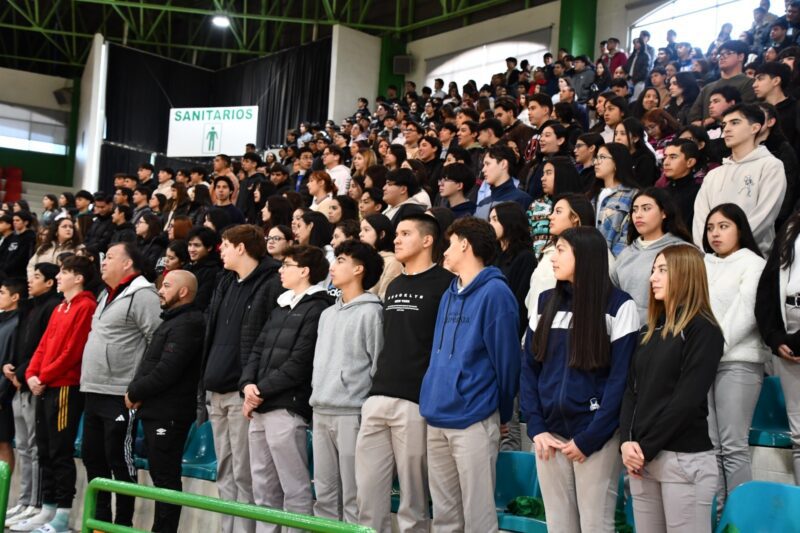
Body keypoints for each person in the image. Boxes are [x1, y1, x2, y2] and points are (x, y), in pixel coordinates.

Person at [522, 226, 638, 532]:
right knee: (558, 526)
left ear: (584, 256)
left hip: (596, 436)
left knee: (595, 525)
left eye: (560, 251)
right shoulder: (544, 301)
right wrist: (536, 427)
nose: (552, 258)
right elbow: (530, 368)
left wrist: (591, 438)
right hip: (549, 435)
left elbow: (620, 380)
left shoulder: (619, 305)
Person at [419, 217, 520, 532]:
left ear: (465, 244)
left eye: (449, 244)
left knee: (479, 517)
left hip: (474, 416)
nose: (444, 252)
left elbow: (507, 363)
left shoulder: (496, 293)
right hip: (436, 414)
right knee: (445, 518)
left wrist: (503, 412)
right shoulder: (448, 293)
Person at [355, 213, 453, 532]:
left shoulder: (446, 284)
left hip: (414, 401)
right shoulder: (394, 283)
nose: (396, 239)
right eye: (396, 234)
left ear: (427, 240)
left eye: (405, 233)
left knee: (413, 499)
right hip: (377, 396)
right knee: (368, 496)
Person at [620, 245, 723, 532]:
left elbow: (686, 399)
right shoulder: (647, 331)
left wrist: (645, 448)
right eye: (654, 270)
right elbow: (631, 392)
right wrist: (626, 442)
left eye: (662, 270)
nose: (653, 277)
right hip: (643, 458)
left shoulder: (703, 329)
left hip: (683, 458)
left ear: (686, 275)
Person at [240, 245, 332, 533]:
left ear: (304, 271)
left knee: (294, 489)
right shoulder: (281, 305)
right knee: (263, 488)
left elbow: (300, 363)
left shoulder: (318, 308)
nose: (281, 270)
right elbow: (258, 349)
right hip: (261, 406)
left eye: (287, 265)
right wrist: (247, 385)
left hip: (287, 407)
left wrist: (258, 391)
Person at [199, 225, 281, 533]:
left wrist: (253, 383)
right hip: (215, 389)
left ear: (241, 248)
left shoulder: (271, 283)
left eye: (225, 244)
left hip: (242, 392)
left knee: (245, 474)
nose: (220, 250)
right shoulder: (225, 281)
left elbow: (269, 340)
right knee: (225, 471)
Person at [79, 242, 162, 527]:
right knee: (93, 458)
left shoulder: (143, 295)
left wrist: (139, 386)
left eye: (111, 257)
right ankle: (99, 523)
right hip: (93, 389)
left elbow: (157, 341)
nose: (103, 262)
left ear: (128, 263)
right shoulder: (106, 294)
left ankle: (122, 525)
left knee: (119, 461)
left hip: (120, 394)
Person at [18, 257, 96, 533]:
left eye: (64, 272)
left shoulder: (86, 306)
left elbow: (72, 352)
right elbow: (43, 345)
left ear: (79, 278)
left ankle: (62, 515)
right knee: (44, 449)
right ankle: (47, 508)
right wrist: (31, 374)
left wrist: (44, 376)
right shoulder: (60, 307)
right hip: (45, 384)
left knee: (60, 451)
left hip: (64, 387)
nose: (59, 277)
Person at [310, 240, 384, 523]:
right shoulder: (327, 314)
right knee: (324, 495)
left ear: (358, 269)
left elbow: (378, 364)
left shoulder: (372, 312)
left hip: (352, 413)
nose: (333, 266)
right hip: (320, 410)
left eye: (341, 260)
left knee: (354, 495)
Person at [125, 270, 204, 533]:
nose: (160, 290)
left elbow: (167, 370)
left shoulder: (188, 323)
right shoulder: (173, 320)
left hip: (169, 413)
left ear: (183, 292)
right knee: (161, 477)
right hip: (156, 410)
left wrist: (135, 391)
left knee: (166, 479)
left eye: (167, 286)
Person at [702, 204, 768, 510]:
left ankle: (738, 520)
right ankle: (717, 516)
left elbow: (746, 314)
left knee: (733, 446)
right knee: (710, 446)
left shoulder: (753, 263)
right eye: (710, 228)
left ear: (740, 228)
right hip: (703, 363)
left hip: (738, 362)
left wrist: (711, 350)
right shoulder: (702, 262)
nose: (715, 234)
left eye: (723, 226)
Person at [2, 264, 60, 527]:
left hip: (33, 383)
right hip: (19, 382)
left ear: (50, 282)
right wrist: (13, 369)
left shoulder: (51, 307)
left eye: (36, 277)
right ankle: (25, 501)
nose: (30, 281)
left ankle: (36, 504)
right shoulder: (31, 307)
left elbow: (42, 348)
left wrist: (23, 372)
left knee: (36, 448)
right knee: (23, 447)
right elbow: (23, 347)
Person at [692, 103, 787, 255]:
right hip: (712, 258)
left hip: (753, 256)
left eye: (735, 123)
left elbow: (765, 215)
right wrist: (708, 252)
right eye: (724, 124)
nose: (726, 129)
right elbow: (700, 219)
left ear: (754, 128)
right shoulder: (714, 174)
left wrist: (734, 247)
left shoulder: (770, 166)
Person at [755, 207, 800, 483]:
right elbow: (768, 287)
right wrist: (774, 337)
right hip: (789, 342)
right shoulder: (791, 229)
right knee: (799, 436)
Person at [611, 188, 693, 325]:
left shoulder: (683, 251)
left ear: (664, 212)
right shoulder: (626, 253)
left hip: (666, 331)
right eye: (634, 210)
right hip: (625, 330)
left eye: (646, 208)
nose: (638, 215)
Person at [688, 40, 756, 126]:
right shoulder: (708, 87)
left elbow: (745, 113)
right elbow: (692, 118)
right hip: (704, 132)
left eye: (728, 53)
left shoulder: (750, 83)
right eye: (720, 54)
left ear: (740, 56)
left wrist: (710, 121)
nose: (722, 57)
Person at [592, 143, 640, 256]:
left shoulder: (633, 194)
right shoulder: (592, 195)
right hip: (589, 256)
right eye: (596, 157)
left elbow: (629, 233)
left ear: (617, 162)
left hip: (615, 259)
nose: (596, 162)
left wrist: (615, 261)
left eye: (602, 157)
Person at [475, 145, 532, 219]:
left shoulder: (522, 199)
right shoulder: (482, 203)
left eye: (487, 164)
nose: (483, 170)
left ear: (503, 164)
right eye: (483, 165)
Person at [359, 215, 403, 300]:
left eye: (366, 230)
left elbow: (384, 298)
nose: (360, 234)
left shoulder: (393, 262)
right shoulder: (362, 259)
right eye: (361, 230)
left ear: (382, 234)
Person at [662, 139, 702, 226]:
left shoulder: (699, 193)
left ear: (690, 162)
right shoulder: (661, 192)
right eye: (665, 157)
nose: (665, 163)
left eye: (673, 157)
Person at [185, 227, 222, 311]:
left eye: (197, 245)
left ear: (209, 247)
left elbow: (201, 301)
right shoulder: (188, 266)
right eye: (190, 245)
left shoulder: (212, 271)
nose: (191, 249)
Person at [614, 118, 659, 188]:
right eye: (616, 134)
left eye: (623, 134)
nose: (617, 138)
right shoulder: (616, 156)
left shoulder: (645, 159)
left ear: (635, 138)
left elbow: (642, 187)